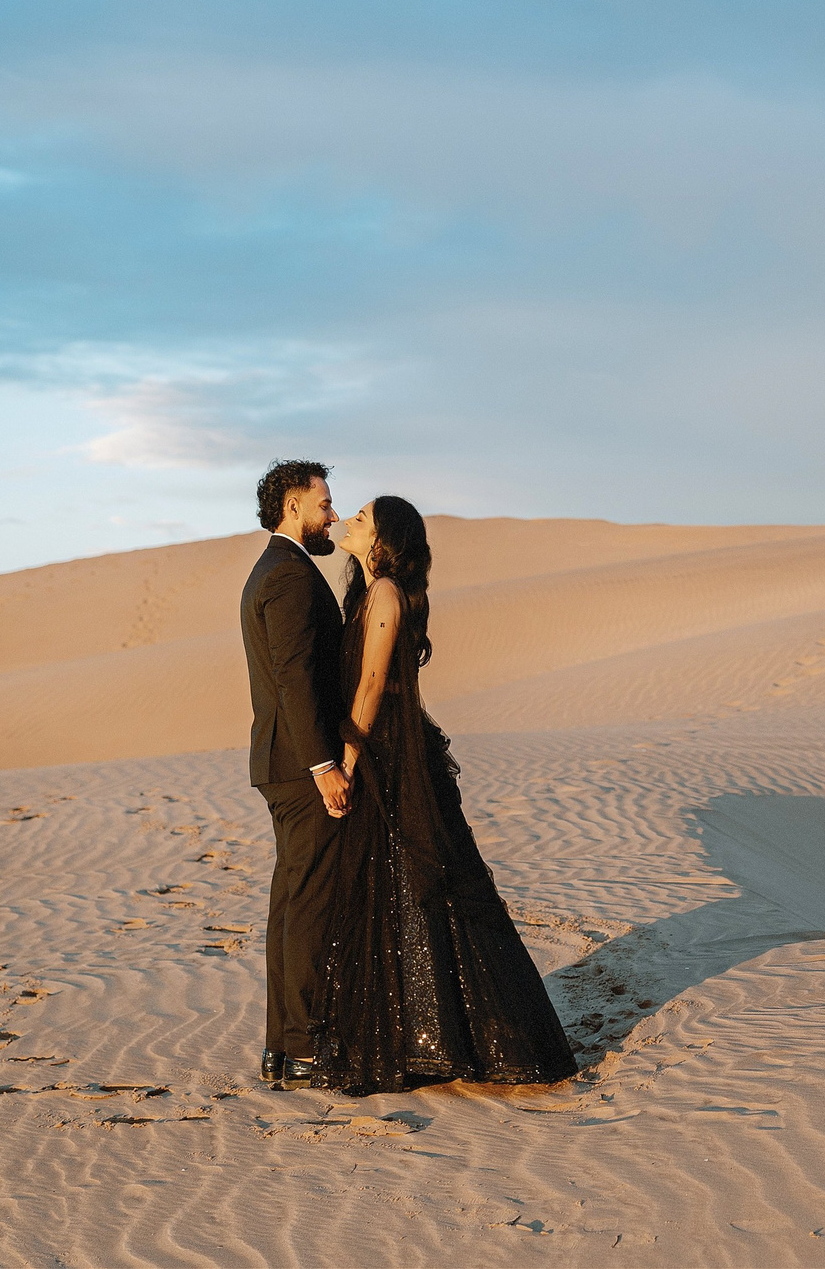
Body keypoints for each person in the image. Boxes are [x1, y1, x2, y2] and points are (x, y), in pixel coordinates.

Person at [313, 494, 578, 1094]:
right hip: (391, 749)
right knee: (407, 883)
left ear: (382, 543)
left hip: (389, 754)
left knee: (416, 881)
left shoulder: (382, 594)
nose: (348, 524)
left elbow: (374, 682)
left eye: (361, 520)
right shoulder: (372, 589)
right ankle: (433, 1032)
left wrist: (348, 758)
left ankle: (441, 1037)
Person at [240, 458, 362, 1091]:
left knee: (291, 903)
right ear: (292, 507)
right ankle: (308, 1046)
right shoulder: (288, 577)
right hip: (299, 765)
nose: (333, 515)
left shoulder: (274, 570)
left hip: (281, 762)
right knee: (307, 905)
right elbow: (293, 678)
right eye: (324, 504)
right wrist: (324, 765)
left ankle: (281, 1049)